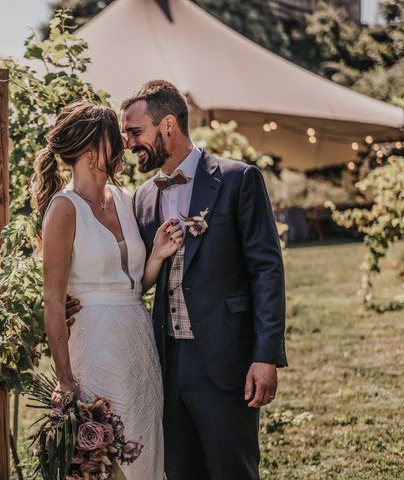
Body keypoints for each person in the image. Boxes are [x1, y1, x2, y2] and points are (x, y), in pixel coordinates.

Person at [67, 80, 287, 480]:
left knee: (231, 471)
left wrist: (266, 355)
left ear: (168, 125)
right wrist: (76, 300)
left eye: (135, 132)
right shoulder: (142, 197)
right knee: (180, 471)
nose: (128, 143)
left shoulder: (239, 180)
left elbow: (267, 271)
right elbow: (130, 273)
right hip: (164, 364)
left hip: (226, 361)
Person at [32, 100, 183, 480]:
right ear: (90, 149)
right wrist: (65, 378)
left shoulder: (124, 198)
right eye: (114, 138)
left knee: (145, 447)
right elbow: (51, 299)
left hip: (138, 340)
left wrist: (157, 256)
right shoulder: (64, 209)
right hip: (95, 347)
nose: (123, 145)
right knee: (110, 460)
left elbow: (132, 286)